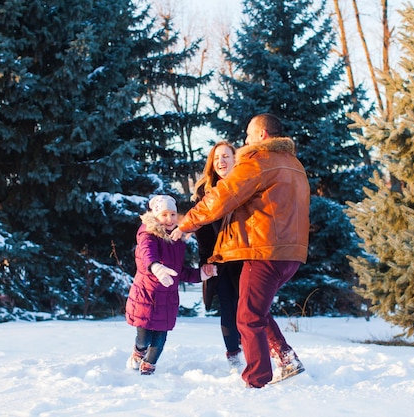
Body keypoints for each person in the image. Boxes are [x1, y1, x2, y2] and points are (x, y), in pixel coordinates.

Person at [170, 113, 310, 388]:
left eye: (248, 135)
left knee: (247, 317)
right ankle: (285, 358)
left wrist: (186, 224)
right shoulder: (294, 165)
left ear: (263, 136)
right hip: (291, 253)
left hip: (264, 250)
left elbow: (222, 197)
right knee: (256, 309)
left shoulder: (258, 161)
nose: (244, 141)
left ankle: (256, 380)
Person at [125, 194, 216, 375]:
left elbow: (179, 271)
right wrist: (156, 267)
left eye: (173, 215)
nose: (169, 219)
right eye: (164, 214)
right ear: (156, 216)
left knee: (160, 339)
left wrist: (201, 274)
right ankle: (138, 352)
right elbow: (146, 253)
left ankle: (148, 370)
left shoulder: (177, 241)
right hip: (147, 296)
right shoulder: (148, 234)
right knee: (144, 338)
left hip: (168, 299)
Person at [192, 141, 244, 371]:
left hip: (246, 256)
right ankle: (234, 353)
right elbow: (201, 230)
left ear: (235, 159)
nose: (221, 161)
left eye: (225, 156)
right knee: (227, 306)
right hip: (220, 259)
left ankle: (254, 350)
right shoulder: (205, 192)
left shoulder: (247, 185)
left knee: (249, 306)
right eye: (216, 158)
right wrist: (207, 261)